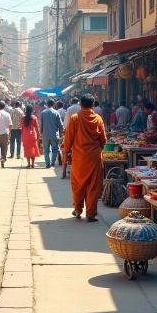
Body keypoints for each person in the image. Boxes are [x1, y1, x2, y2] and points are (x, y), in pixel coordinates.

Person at [63, 94, 107, 222]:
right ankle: (91, 214)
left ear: (80, 105)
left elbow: (68, 138)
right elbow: (103, 139)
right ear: (93, 105)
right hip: (94, 157)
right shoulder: (98, 118)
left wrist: (66, 151)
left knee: (78, 184)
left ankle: (77, 210)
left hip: (79, 157)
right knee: (93, 186)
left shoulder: (75, 118)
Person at [40, 99, 64, 169]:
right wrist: (61, 134)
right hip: (54, 134)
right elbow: (61, 125)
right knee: (55, 149)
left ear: (47, 104)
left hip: (45, 134)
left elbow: (41, 125)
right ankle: (52, 163)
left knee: (46, 150)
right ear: (53, 105)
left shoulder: (43, 113)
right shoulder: (56, 113)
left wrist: (41, 133)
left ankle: (47, 164)